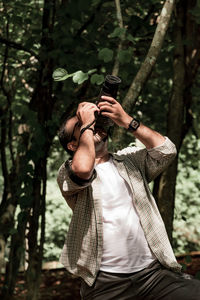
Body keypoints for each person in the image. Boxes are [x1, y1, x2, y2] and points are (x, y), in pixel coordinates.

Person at [57, 96, 200, 300]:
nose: (91, 125)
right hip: (106, 284)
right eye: (80, 126)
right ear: (72, 146)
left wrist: (127, 120)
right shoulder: (67, 172)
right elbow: (83, 169)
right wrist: (87, 123)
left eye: (92, 122)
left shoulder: (130, 161)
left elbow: (167, 151)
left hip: (153, 276)